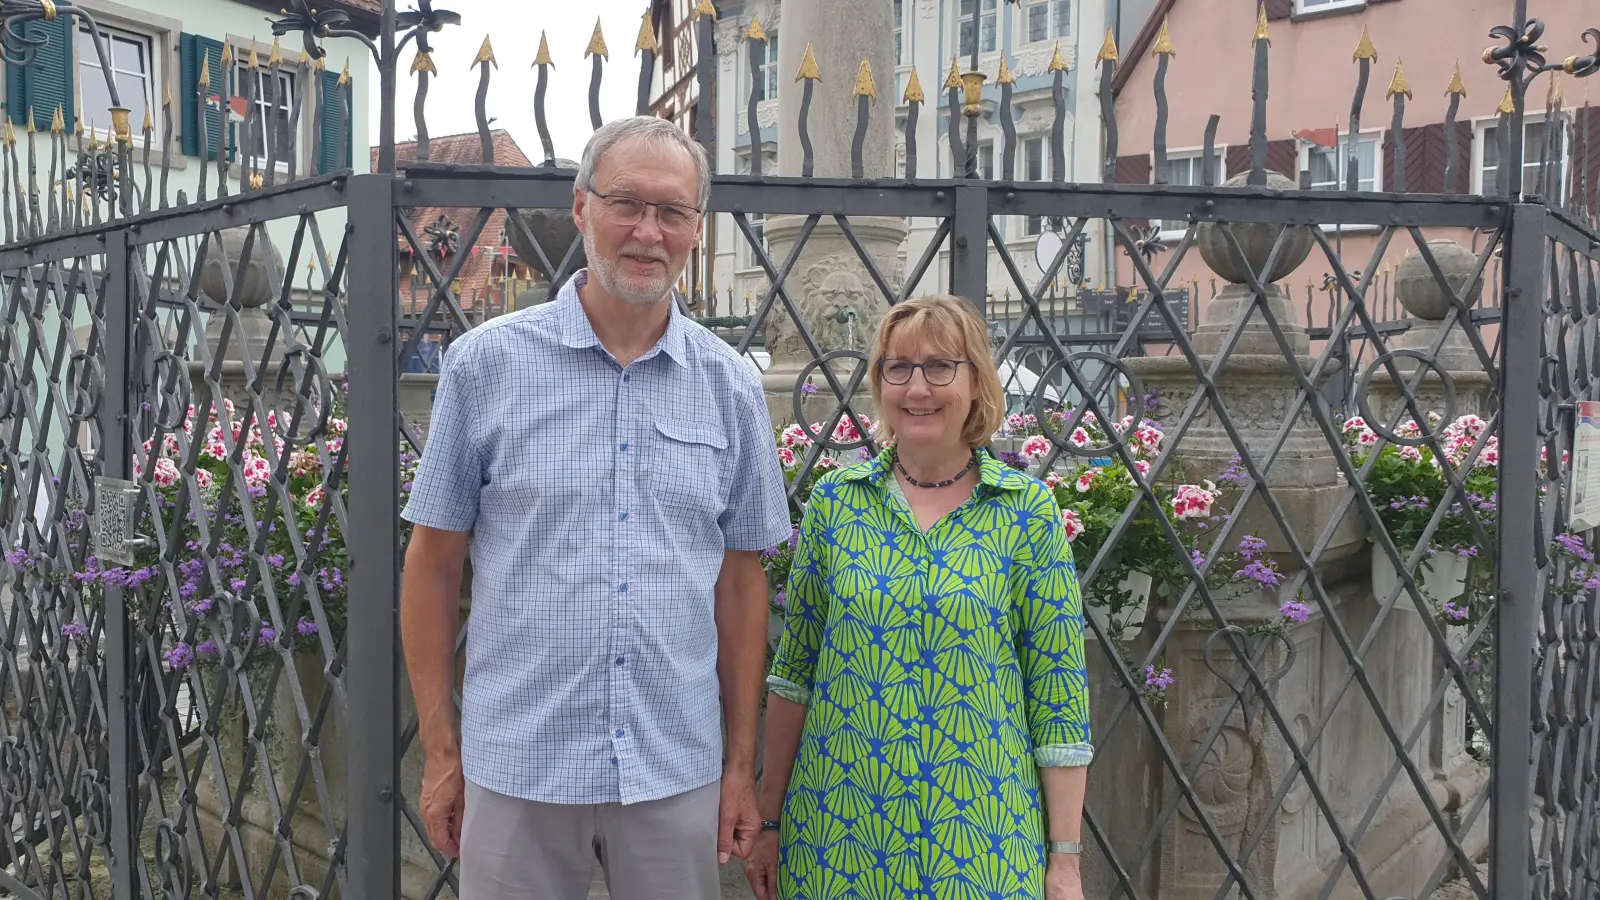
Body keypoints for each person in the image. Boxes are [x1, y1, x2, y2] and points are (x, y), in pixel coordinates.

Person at [400, 115, 793, 900]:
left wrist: (739, 765)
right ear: (582, 207)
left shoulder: (730, 387)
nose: (648, 231)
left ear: (696, 230)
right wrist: (443, 753)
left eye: (673, 211)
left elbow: (742, 584)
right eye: (627, 203)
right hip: (519, 761)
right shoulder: (486, 366)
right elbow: (433, 567)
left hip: (672, 764)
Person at [745, 295, 1092, 900]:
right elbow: (794, 677)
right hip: (838, 838)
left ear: (975, 379)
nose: (917, 388)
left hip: (981, 843)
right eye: (897, 368)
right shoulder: (836, 503)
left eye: (939, 366)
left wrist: (1064, 861)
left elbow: (1057, 697)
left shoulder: (1025, 513)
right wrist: (770, 820)